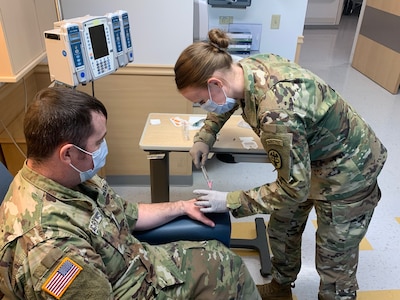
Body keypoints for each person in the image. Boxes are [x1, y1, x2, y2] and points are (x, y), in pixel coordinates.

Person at [174, 28, 387, 300]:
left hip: (349, 171)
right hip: (309, 159)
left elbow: (292, 189)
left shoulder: (276, 114)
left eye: (201, 101)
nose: (204, 107)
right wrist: (206, 135)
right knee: (282, 228)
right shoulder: (244, 69)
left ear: (215, 84)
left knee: (334, 258)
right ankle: (280, 286)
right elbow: (230, 99)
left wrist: (229, 201)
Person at [0, 87, 262, 300]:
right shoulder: (50, 248)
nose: (104, 147)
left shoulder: (71, 179)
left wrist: (182, 206)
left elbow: (129, 214)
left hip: (138, 262)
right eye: (99, 141)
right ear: (68, 153)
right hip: (131, 289)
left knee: (222, 258)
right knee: (231, 274)